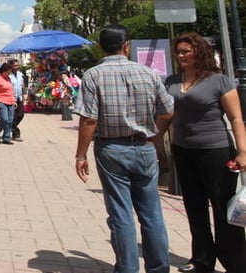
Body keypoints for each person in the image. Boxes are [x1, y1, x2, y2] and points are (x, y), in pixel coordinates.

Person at [74, 24, 173, 273]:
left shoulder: (93, 75)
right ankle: (159, 268)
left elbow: (89, 119)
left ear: (100, 47)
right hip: (144, 146)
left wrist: (81, 154)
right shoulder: (148, 73)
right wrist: (154, 136)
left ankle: (127, 268)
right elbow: (168, 110)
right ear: (126, 45)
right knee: (151, 213)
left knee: (121, 213)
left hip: (111, 149)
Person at [162, 32, 246, 273]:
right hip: (184, 150)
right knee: (194, 206)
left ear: (199, 52)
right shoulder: (172, 81)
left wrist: (243, 152)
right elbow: (167, 117)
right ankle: (202, 260)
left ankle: (236, 262)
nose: (181, 55)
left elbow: (236, 118)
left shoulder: (219, 81)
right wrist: (152, 140)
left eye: (186, 51)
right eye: (179, 52)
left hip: (216, 151)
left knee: (222, 208)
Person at [8, 59, 27, 140]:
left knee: (21, 115)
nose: (17, 67)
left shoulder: (20, 74)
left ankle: (9, 127)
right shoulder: (8, 75)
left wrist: (24, 96)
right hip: (11, 98)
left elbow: (22, 86)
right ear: (11, 66)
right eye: (15, 65)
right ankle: (16, 133)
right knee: (13, 116)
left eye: (18, 65)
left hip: (19, 97)